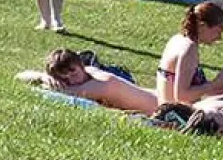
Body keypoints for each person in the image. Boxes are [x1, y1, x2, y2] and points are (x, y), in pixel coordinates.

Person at [156, 2, 223, 107]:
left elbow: (193, 87)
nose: (219, 37)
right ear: (203, 26)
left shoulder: (179, 39)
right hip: (179, 115)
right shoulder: (189, 49)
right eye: (218, 31)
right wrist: (215, 83)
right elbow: (181, 95)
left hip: (171, 109)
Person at [20, 48, 160, 112]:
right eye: (65, 79)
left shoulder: (101, 84)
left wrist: (45, 81)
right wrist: (43, 76)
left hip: (163, 106)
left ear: (82, 65)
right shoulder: (89, 73)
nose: (72, 81)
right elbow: (21, 76)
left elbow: (62, 92)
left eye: (73, 73)